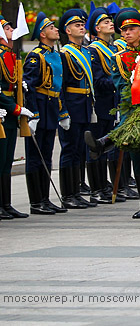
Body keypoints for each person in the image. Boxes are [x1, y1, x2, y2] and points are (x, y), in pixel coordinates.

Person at [86, 8, 140, 218]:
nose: (126, 33)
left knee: (139, 145)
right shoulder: (119, 58)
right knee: (136, 152)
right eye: (124, 30)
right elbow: (120, 85)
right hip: (131, 106)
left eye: (132, 29)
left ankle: (103, 143)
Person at [23, 13, 69, 215]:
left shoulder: (55, 54)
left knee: (47, 155)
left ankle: (45, 199)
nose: (56, 30)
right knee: (35, 156)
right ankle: (36, 202)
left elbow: (59, 86)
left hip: (51, 106)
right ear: (42, 34)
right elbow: (28, 87)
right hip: (39, 107)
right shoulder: (36, 56)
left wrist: (63, 112)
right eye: (51, 28)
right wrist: (32, 113)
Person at [57, 9, 99, 210]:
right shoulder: (65, 54)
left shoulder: (85, 51)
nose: (81, 27)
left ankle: (77, 191)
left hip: (84, 106)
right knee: (69, 149)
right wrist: (63, 112)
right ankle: (68, 194)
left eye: (82, 24)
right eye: (76, 25)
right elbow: (60, 86)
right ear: (68, 30)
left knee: (80, 150)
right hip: (72, 106)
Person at [0, 16, 34, 219]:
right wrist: (14, 107)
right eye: (7, 27)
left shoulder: (10, 54)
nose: (12, 29)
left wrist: (19, 88)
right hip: (4, 112)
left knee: (6, 161)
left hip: (10, 113)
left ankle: (6, 203)